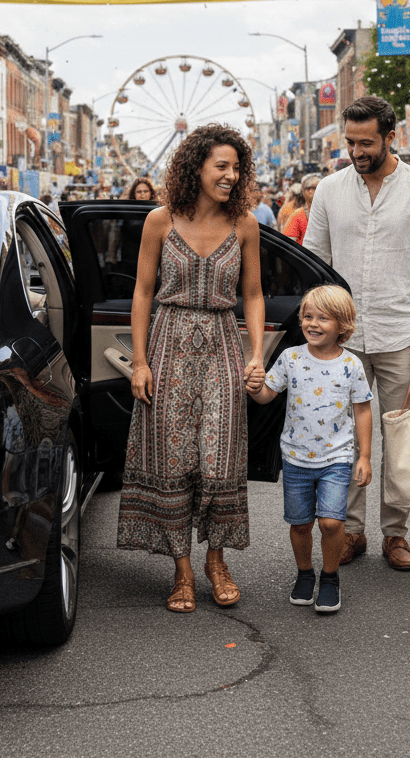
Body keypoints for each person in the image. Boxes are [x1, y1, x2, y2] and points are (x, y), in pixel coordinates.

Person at [118, 123, 265, 613]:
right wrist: (139, 362)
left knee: (220, 461)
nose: (230, 175)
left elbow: (253, 294)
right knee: (172, 460)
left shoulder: (245, 223)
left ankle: (216, 561)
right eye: (221, 166)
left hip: (223, 346)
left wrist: (256, 354)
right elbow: (141, 293)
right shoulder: (160, 221)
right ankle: (182, 570)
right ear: (196, 167)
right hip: (168, 345)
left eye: (236, 167)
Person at [303, 95, 410, 572]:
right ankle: (350, 530)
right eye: (350, 142)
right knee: (341, 436)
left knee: (400, 436)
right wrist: (315, 329)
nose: (357, 150)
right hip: (342, 338)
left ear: (390, 137)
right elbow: (314, 263)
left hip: (401, 332)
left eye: (366, 142)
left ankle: (396, 533)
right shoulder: (328, 190)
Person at [246, 285, 373, 613]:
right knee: (300, 523)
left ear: (342, 325)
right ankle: (305, 574)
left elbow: (362, 410)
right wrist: (256, 387)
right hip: (296, 457)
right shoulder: (291, 358)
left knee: (331, 523)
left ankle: (329, 578)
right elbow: (267, 396)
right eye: (307, 316)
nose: (313, 323)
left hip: (337, 457)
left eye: (323, 318)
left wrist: (366, 456)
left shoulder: (352, 366)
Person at [282, 173, 321, 246]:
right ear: (303, 192)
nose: (312, 191)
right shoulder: (298, 215)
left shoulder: (329, 213)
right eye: (310, 188)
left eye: (316, 188)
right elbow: (287, 244)